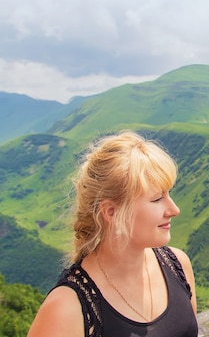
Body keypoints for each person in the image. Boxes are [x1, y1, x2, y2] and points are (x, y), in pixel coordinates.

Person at [28, 131, 198, 337]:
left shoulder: (178, 265)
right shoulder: (66, 309)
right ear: (111, 212)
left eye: (168, 194)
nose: (174, 209)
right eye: (156, 199)